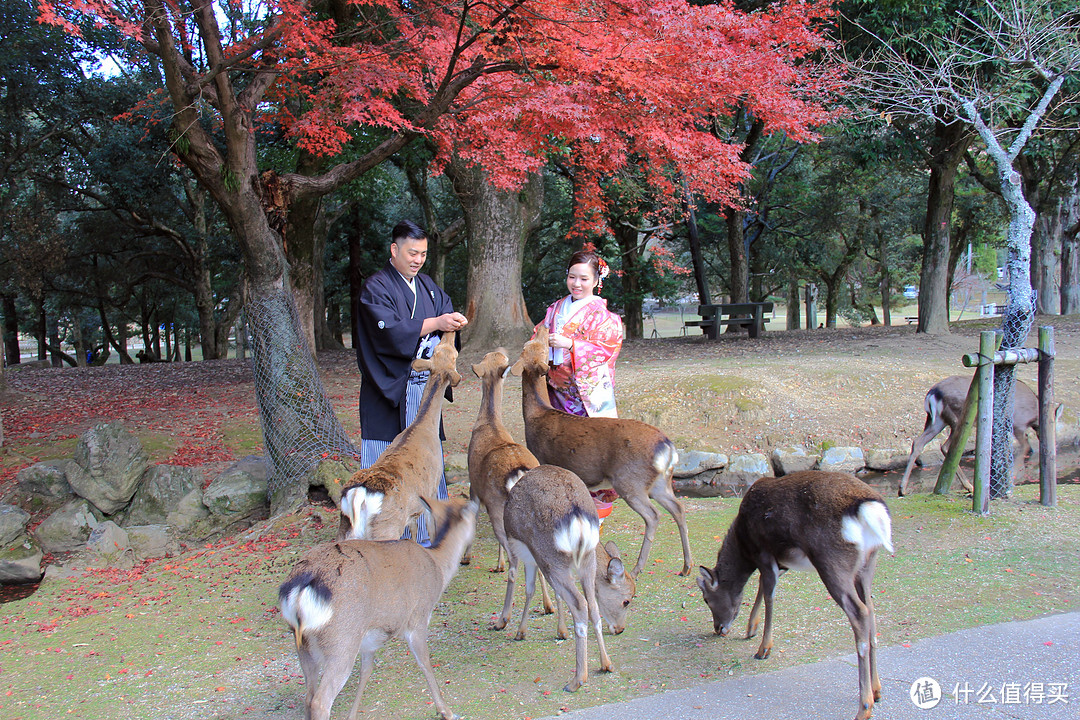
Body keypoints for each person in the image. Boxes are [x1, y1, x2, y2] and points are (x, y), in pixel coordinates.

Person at [354, 220, 468, 543]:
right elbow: (387, 331)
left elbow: (445, 318)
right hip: (387, 390)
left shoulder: (429, 287)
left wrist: (452, 324)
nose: (418, 260)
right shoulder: (376, 287)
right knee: (384, 464)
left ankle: (428, 538)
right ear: (395, 250)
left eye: (423, 254)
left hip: (423, 392)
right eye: (412, 253)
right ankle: (379, 537)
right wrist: (436, 322)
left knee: (426, 462)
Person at [534, 249, 623, 418]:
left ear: (596, 281)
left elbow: (605, 351)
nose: (576, 284)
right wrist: (541, 341)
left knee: (587, 437)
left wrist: (570, 344)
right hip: (554, 387)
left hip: (583, 392)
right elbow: (538, 334)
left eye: (584, 279)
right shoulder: (556, 307)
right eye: (572, 277)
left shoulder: (602, 316)